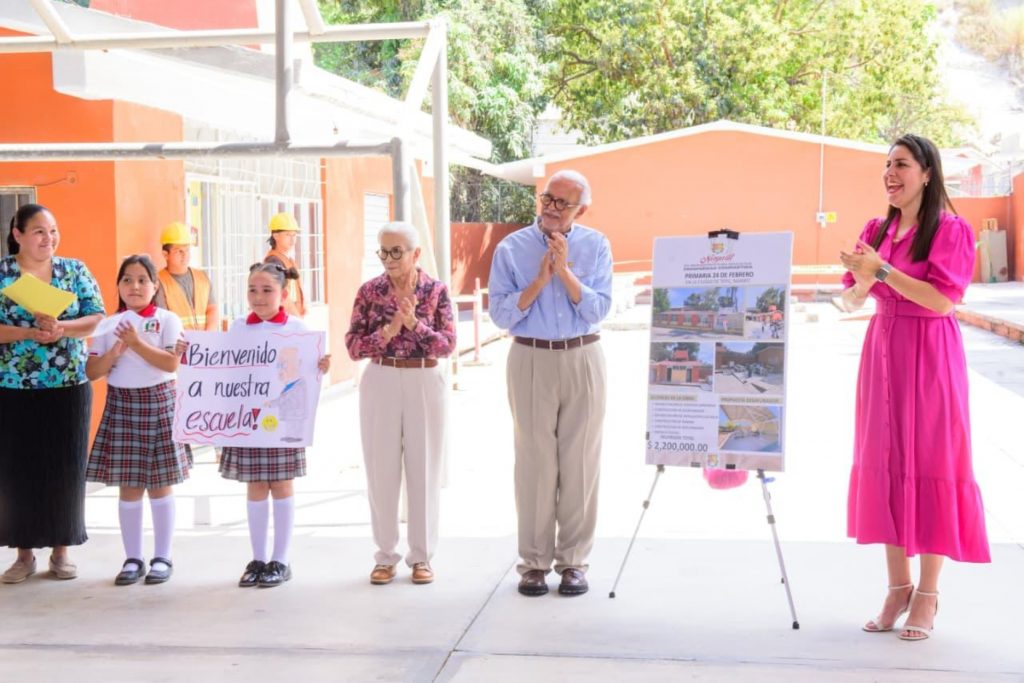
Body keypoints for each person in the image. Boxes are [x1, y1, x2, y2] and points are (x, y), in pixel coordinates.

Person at [839, 133, 990, 641]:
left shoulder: (951, 229)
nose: (890, 173)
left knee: (931, 464)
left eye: (901, 164)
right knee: (887, 465)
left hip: (930, 355)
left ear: (927, 172)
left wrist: (881, 269)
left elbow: (943, 301)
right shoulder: (874, 229)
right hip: (882, 351)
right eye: (886, 165)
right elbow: (853, 301)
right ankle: (897, 587)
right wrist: (861, 279)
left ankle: (928, 594)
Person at [488, 170, 613, 597]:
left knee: (580, 461)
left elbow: (599, 309)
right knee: (535, 462)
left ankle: (574, 562)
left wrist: (566, 274)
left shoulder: (596, 246)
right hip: (530, 356)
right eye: (548, 199)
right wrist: (541, 279)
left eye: (563, 203)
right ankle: (534, 563)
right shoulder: (512, 248)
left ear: (582, 209)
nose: (552, 208)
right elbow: (501, 315)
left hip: (582, 355)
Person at [346, 221, 455, 586]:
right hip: (381, 377)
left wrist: (415, 325)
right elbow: (353, 347)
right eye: (384, 251)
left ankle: (421, 557)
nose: (389, 259)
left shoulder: (435, 291)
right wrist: (388, 332)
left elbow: (447, 345)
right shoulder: (369, 291)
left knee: (424, 468)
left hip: (425, 378)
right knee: (381, 468)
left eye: (397, 252)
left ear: (415, 254)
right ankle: (385, 555)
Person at [0, 203, 104, 583]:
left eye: (54, 231)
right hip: (13, 386)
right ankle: (23, 554)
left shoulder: (73, 270)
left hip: (68, 385)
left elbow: (96, 317)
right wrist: (28, 333)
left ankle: (62, 552)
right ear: (19, 234)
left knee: (65, 467)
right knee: (17, 471)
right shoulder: (3, 274)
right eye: (40, 231)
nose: (49, 239)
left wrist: (63, 327)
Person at [220, 263, 329, 588]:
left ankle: (281, 559)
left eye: (267, 290)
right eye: (252, 290)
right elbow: (223, 370)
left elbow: (305, 372)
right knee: (255, 486)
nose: (259, 297)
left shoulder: (296, 327)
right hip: (250, 421)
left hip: (282, 422)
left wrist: (320, 366)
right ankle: (258, 558)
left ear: (282, 294)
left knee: (281, 484)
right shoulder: (239, 328)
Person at [85, 255, 189, 586]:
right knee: (129, 487)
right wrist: (115, 352)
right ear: (118, 286)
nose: (135, 286)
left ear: (155, 286)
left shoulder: (167, 319)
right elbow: (92, 371)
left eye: (143, 279)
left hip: (160, 404)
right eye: (127, 280)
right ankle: (132, 558)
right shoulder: (105, 325)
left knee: (160, 485)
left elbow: (170, 364)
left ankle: (162, 556)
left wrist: (136, 343)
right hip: (122, 405)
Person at [154, 221, 220, 331]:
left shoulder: (202, 277)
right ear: (166, 255)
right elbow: (163, 319)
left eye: (187, 250)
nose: (185, 255)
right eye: (179, 251)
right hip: (177, 345)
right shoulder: (158, 282)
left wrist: (209, 336)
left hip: (205, 344)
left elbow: (212, 309)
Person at [264, 212, 306, 317]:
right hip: (284, 320)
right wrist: (297, 318)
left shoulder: (288, 259)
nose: (292, 239)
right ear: (276, 236)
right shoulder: (273, 261)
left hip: (291, 318)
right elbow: (281, 294)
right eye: (287, 235)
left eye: (294, 235)